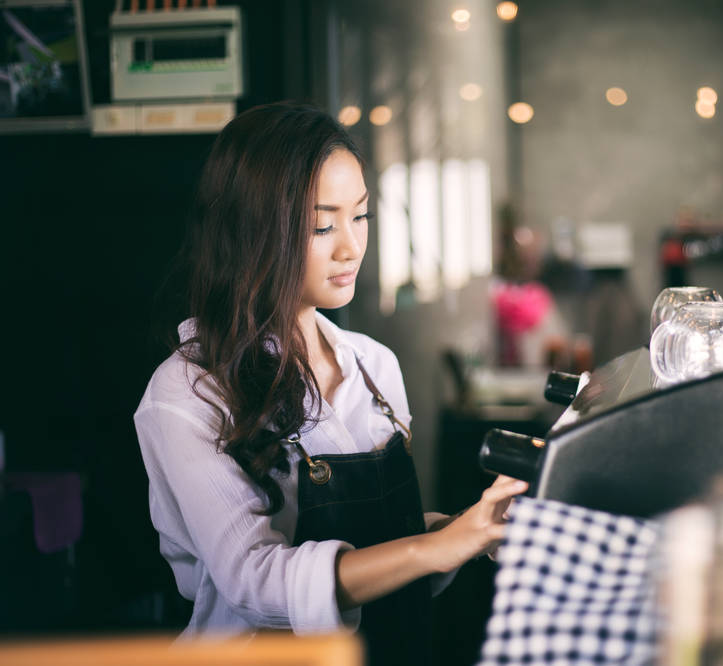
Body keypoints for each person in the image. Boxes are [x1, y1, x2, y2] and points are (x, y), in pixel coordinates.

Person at [133, 102, 528, 664]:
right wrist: (434, 547)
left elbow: (383, 537)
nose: (351, 247)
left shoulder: (374, 365)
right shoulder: (188, 393)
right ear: (252, 230)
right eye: (321, 224)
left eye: (360, 216)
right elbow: (254, 580)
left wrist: (468, 530)